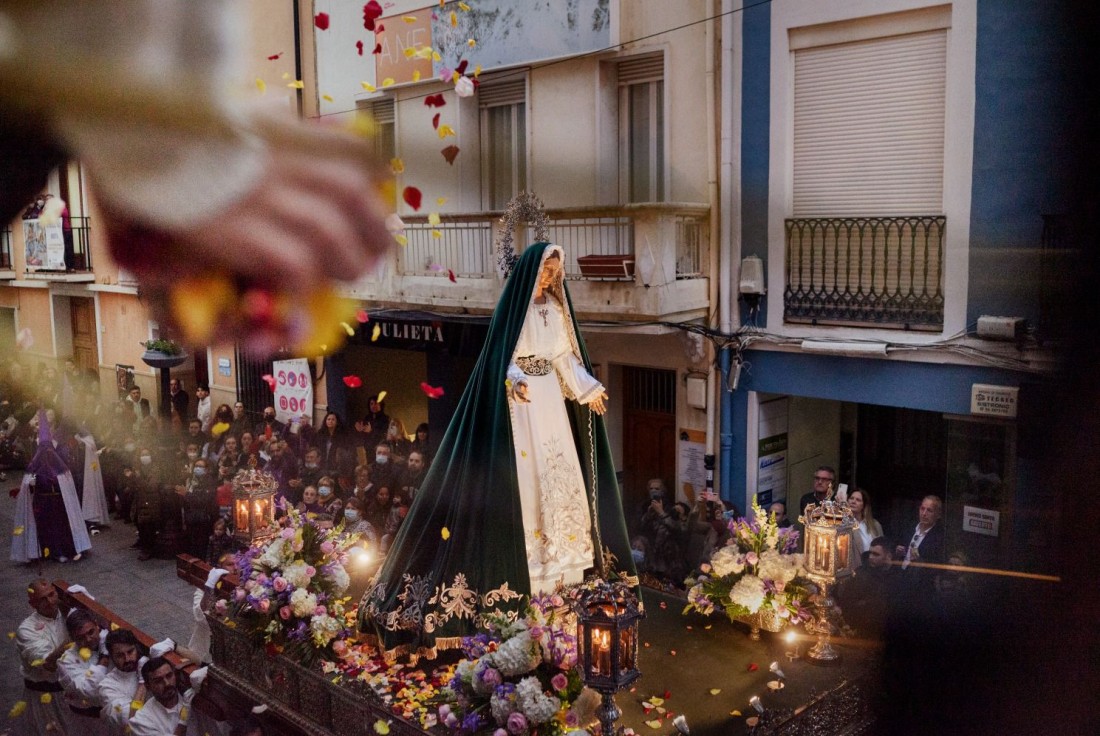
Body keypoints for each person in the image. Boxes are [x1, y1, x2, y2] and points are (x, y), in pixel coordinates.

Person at [359, 243, 634, 657]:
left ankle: (564, 572)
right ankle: (529, 575)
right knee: (526, 482)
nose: (549, 278)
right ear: (530, 273)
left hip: (551, 407)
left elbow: (563, 357)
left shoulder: (556, 312)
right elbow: (501, 359)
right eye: (544, 272)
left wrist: (587, 388)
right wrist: (515, 380)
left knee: (558, 477)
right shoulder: (515, 311)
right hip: (522, 408)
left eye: (554, 273)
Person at [11, 410, 93, 564]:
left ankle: (65, 549)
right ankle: (46, 551)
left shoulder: (59, 461)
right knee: (45, 529)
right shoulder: (35, 461)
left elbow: (65, 478)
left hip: (58, 502)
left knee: (60, 527)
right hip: (42, 502)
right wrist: (30, 483)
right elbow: (29, 479)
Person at [15, 579, 74, 735]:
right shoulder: (26, 630)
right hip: (45, 699)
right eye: (43, 599)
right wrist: (75, 636)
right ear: (32, 604)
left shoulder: (68, 613)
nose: (50, 601)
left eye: (51, 594)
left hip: (71, 693)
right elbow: (48, 664)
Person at [57, 608, 111, 735]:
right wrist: (104, 656)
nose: (88, 639)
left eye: (91, 632)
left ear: (97, 625)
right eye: (80, 637)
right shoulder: (65, 661)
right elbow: (89, 691)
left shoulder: (110, 643)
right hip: (87, 723)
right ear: (72, 638)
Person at [836, 536, 896, 639]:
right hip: (858, 626)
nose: (871, 557)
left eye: (876, 554)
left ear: (888, 556)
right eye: (870, 553)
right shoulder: (861, 573)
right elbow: (847, 599)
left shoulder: (898, 578)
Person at [98, 628, 146, 735]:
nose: (127, 659)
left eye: (130, 651)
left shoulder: (148, 666)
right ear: (111, 657)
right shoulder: (107, 686)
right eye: (120, 655)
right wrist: (143, 682)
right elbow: (132, 720)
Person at [128, 657, 192, 736]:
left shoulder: (189, 698)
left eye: (169, 676)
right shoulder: (142, 720)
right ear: (148, 686)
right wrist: (184, 718)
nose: (167, 683)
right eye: (158, 681)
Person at [896, 495, 946, 570]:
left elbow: (935, 566)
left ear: (938, 515)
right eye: (922, 509)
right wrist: (898, 551)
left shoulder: (939, 538)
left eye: (929, 510)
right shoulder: (909, 528)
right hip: (900, 573)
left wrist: (919, 561)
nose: (924, 513)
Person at [848, 488, 885, 564]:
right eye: (851, 498)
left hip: (874, 568)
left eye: (858, 500)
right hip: (855, 569)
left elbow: (882, 548)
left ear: (864, 506)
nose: (853, 501)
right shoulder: (844, 524)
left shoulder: (875, 525)